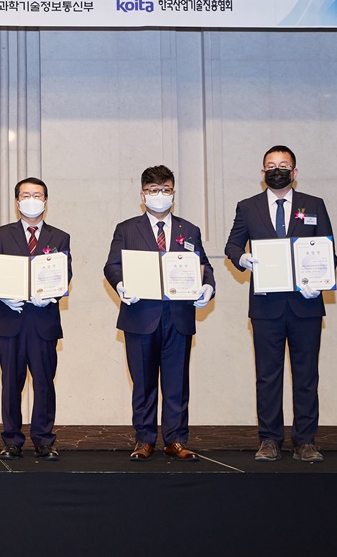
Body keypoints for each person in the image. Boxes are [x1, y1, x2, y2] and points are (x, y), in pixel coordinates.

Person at [225, 145, 335, 463]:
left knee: (306, 376)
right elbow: (232, 245)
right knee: (267, 376)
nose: (277, 170)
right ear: (262, 173)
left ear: (294, 172)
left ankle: (305, 442)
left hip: (306, 305)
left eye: (284, 165)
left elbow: (329, 253)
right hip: (266, 307)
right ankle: (269, 440)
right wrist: (241, 258)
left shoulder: (314, 205)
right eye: (271, 165)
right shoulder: (248, 207)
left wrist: (320, 283)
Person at [103, 165, 214, 461]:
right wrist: (121, 285)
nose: (159, 195)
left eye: (165, 189)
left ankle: (176, 440)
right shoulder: (126, 229)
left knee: (177, 383)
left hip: (178, 317)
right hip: (140, 316)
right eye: (153, 190)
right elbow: (112, 265)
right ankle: (144, 439)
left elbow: (204, 266)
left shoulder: (190, 230)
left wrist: (208, 286)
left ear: (173, 193)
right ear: (143, 195)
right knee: (143, 383)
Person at [0, 177, 71, 461]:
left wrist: (52, 295)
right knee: (11, 384)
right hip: (12, 319)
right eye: (25, 195)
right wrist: (2, 295)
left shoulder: (60, 236)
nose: (32, 200)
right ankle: (12, 440)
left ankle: (44, 440)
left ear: (46, 200)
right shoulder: (2, 234)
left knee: (44, 383)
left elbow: (65, 271)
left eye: (37, 195)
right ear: (17, 201)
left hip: (44, 321)